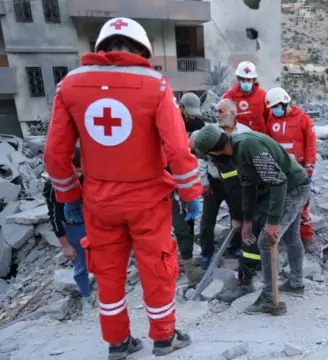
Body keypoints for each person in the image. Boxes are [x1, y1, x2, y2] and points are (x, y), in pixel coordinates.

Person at [43, 17, 202, 358]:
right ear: (142, 49)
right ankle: (164, 337)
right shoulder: (155, 85)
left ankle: (118, 343)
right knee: (156, 268)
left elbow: (55, 154)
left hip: (99, 201)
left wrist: (68, 196)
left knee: (109, 273)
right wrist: (191, 195)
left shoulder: (69, 85)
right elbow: (177, 148)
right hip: (148, 201)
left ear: (101, 48)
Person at [193, 126, 310, 315]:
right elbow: (247, 186)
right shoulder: (236, 152)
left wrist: (273, 222)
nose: (210, 160)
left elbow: (278, 181)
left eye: (208, 156)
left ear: (214, 151)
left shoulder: (248, 146)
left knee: (266, 240)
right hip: (291, 187)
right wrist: (246, 220)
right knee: (291, 236)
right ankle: (296, 284)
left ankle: (270, 298)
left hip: (293, 188)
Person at [189, 99, 264, 303]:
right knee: (208, 219)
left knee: (238, 215)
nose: (218, 114)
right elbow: (202, 159)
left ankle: (236, 248)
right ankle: (206, 253)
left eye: (221, 111)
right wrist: (204, 182)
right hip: (215, 182)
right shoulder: (209, 132)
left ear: (233, 112)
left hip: (238, 182)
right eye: (216, 111)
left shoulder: (244, 132)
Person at [265, 87, 317, 253]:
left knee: (302, 204)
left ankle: (306, 236)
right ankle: (281, 238)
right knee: (279, 203)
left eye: (276, 107)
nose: (274, 110)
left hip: (299, 170)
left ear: (284, 103)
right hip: (279, 170)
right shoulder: (271, 120)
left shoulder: (303, 120)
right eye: (272, 108)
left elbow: (311, 146)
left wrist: (309, 169)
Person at [44, 148, 93, 314]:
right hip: (73, 228)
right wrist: (65, 245)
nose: (78, 176)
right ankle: (86, 296)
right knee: (79, 264)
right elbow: (55, 217)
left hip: (95, 223)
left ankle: (111, 293)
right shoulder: (54, 186)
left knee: (105, 259)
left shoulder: (92, 178)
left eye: (81, 171)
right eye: (75, 171)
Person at [174, 92, 207, 287]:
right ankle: (182, 263)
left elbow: (199, 154)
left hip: (187, 179)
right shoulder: (169, 121)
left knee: (187, 222)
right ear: (182, 107)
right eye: (189, 113)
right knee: (178, 224)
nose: (192, 117)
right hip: (166, 180)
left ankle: (186, 260)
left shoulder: (197, 125)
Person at [222, 61, 269, 133]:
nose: (246, 82)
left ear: (254, 80)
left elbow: (269, 117)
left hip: (260, 137)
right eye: (243, 80)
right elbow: (224, 120)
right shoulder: (229, 96)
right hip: (239, 137)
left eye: (249, 80)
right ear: (238, 79)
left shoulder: (263, 95)